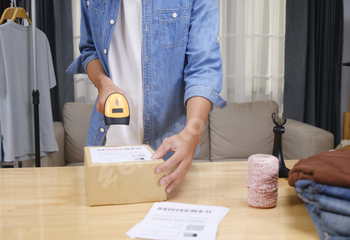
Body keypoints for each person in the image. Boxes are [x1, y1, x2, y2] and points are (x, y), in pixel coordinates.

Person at [66, 0, 227, 193]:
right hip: (109, 144)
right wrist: (103, 83)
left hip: (168, 155)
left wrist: (192, 134)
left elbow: (204, 67)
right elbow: (89, 49)